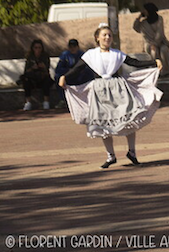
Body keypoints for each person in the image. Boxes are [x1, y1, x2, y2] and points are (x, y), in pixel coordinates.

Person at [59, 23, 162, 168]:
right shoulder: (91, 55)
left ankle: (132, 152)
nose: (107, 37)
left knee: (129, 119)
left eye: (109, 35)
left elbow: (134, 62)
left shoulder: (117, 54)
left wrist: (153, 62)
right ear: (97, 38)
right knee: (103, 123)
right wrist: (65, 77)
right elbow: (78, 68)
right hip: (99, 90)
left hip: (118, 89)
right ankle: (110, 156)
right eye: (104, 35)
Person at [132, 3, 169, 75]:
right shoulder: (143, 23)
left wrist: (155, 44)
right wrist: (139, 17)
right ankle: (156, 72)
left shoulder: (159, 19)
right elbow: (136, 28)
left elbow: (160, 33)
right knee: (154, 52)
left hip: (161, 42)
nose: (143, 11)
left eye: (145, 10)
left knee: (164, 50)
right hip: (149, 44)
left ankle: (166, 71)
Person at [54, 39, 92, 108]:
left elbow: (87, 67)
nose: (72, 48)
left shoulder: (82, 55)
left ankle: (87, 99)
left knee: (89, 75)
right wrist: (69, 71)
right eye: (70, 46)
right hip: (68, 76)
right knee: (58, 77)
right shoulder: (65, 55)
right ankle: (62, 100)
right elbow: (59, 69)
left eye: (74, 46)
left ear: (78, 47)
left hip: (80, 76)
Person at [21, 40, 53, 110]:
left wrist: (43, 67)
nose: (37, 50)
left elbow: (47, 71)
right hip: (33, 78)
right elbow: (26, 71)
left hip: (42, 78)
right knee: (26, 81)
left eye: (39, 48)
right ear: (33, 48)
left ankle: (46, 102)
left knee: (47, 80)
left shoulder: (45, 56)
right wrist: (32, 68)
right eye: (36, 48)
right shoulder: (29, 57)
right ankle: (28, 102)